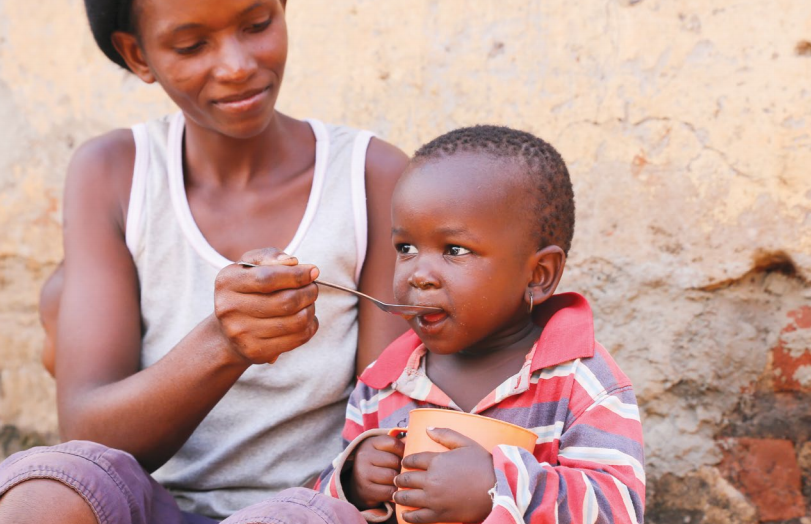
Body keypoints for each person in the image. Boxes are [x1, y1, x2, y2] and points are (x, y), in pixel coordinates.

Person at [0, 0, 409, 522]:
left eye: (257, 24)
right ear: (138, 54)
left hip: (312, 506)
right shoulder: (114, 174)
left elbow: (386, 416)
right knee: (46, 491)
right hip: (153, 504)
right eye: (192, 45)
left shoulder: (370, 177)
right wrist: (223, 343)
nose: (237, 64)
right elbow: (88, 433)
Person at [316, 126, 646, 523]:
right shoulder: (382, 383)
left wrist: (497, 490)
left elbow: (618, 510)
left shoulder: (583, 383)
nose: (419, 274)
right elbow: (331, 508)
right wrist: (353, 482)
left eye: (454, 250)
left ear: (538, 274)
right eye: (405, 247)